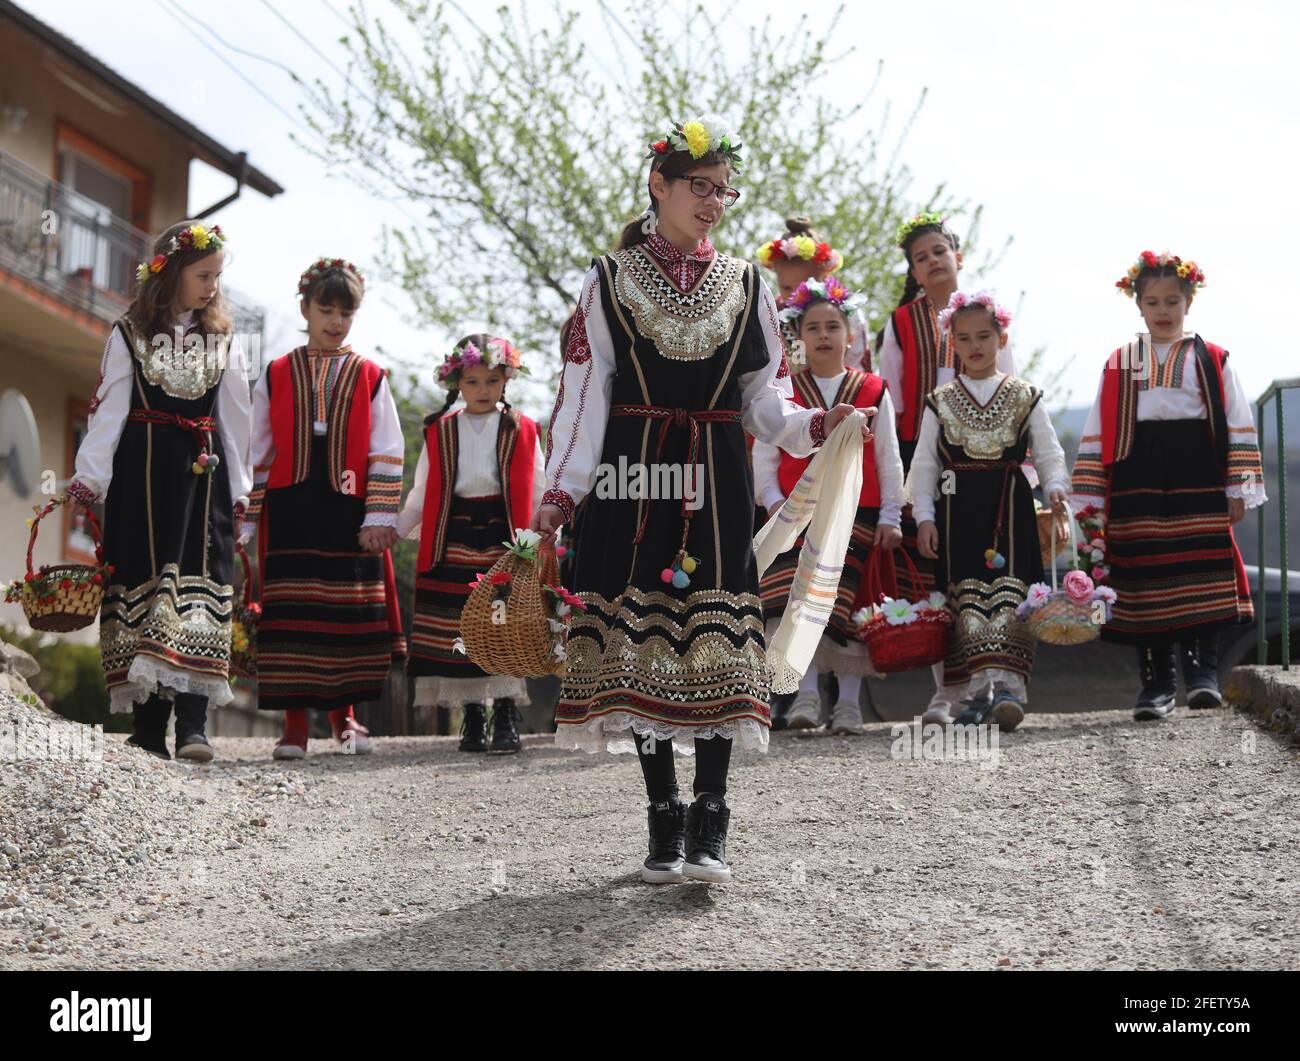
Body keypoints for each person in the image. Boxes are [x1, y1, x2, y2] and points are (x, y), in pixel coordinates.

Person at [537, 115, 871, 884]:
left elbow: (765, 401)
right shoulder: (609, 279)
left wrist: (819, 422)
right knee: (644, 647)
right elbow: (583, 396)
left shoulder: (748, 285)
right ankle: (663, 815)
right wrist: (560, 491)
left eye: (726, 189)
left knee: (717, 640)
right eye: (701, 186)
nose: (716, 201)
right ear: (659, 185)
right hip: (633, 476)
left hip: (715, 479)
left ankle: (712, 815)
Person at [67, 220, 252, 762]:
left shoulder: (224, 339)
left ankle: (193, 727)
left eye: (218, 276)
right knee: (147, 588)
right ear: (169, 273)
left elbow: (236, 419)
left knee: (201, 585)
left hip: (204, 480)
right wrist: (89, 477)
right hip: (142, 483)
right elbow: (109, 409)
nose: (212, 286)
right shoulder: (128, 333)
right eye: (203, 274)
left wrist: (241, 488)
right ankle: (149, 729)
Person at [1072, 252, 1265, 720]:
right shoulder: (1121, 361)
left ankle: (1202, 676)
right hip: (1136, 480)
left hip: (1196, 477)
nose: (1163, 311)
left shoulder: (1212, 357)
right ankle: (1157, 685)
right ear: (1138, 305)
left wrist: (1238, 488)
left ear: (1189, 301)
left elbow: (1238, 421)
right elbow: (1100, 424)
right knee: (1144, 580)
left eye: (1172, 301)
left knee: (1204, 572)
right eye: (1153, 301)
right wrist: (1094, 500)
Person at [245, 258, 406, 759]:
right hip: (291, 501)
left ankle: (346, 722)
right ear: (305, 308)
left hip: (348, 504)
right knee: (293, 611)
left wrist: (379, 517)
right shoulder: (275, 372)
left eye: (345, 312)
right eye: (326, 309)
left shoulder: (370, 375)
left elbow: (387, 446)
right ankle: (294, 728)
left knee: (346, 613)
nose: (335, 321)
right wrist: (245, 515)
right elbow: (257, 448)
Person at [878, 213, 1018, 723]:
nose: (932, 261)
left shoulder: (988, 317)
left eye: (939, 251)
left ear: (958, 257)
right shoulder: (898, 325)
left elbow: (1014, 390)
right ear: (913, 272)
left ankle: (994, 685)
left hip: (984, 458)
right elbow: (887, 403)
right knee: (932, 576)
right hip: (924, 458)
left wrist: (1018, 470)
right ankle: (945, 692)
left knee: (983, 568)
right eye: (921, 257)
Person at [909, 291, 1069, 730]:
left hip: (1011, 507)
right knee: (968, 597)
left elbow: (1049, 451)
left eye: (984, 335)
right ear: (953, 343)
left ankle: (1012, 692)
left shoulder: (1025, 395)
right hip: (957, 510)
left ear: (1001, 337)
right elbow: (924, 464)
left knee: (1013, 591)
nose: (975, 345)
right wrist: (923, 516)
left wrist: (1055, 488)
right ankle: (978, 693)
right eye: (964, 338)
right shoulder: (939, 400)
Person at [753, 277, 904, 733]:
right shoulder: (785, 394)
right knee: (797, 604)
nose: (823, 335)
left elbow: (889, 457)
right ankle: (806, 696)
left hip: (857, 514)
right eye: (813, 328)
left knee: (847, 607)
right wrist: (778, 505)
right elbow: (763, 454)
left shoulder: (873, 389)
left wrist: (893, 515)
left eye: (832, 326)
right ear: (798, 339)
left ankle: (850, 706)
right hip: (796, 515)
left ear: (850, 335)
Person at [396, 335, 543, 753]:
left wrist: (541, 537)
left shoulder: (523, 428)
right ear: (457, 382)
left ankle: (505, 714)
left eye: (492, 381)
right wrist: (396, 528)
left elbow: (537, 488)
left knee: (501, 623)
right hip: (452, 533)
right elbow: (422, 491)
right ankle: (473, 715)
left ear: (506, 380)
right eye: (473, 381)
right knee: (460, 624)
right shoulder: (440, 430)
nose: (482, 390)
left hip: (505, 536)